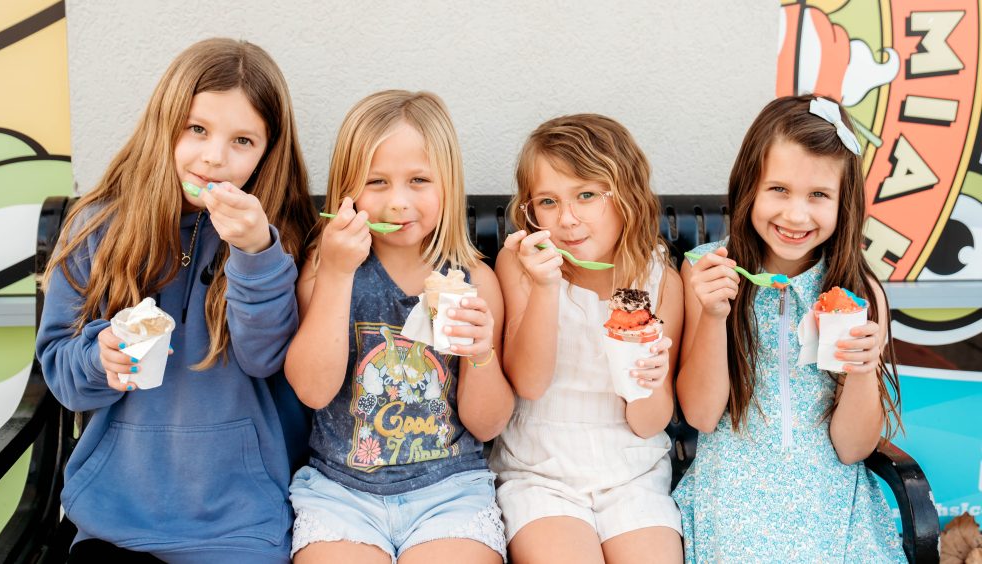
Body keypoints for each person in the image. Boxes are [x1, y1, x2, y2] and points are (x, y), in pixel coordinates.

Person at [36, 38, 316, 563]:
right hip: (113, 521)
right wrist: (102, 357)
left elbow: (263, 357)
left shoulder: (282, 238)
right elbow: (63, 376)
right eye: (197, 130)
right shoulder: (97, 228)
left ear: (268, 151)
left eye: (243, 141)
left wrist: (255, 253)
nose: (214, 157)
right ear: (164, 123)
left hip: (242, 521)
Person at [283, 90, 513, 564]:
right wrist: (335, 273)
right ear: (347, 189)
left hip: (451, 494)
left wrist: (481, 352)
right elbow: (312, 390)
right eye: (377, 182)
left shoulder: (476, 281)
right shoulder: (325, 268)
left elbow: (488, 424)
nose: (399, 202)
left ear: (447, 184)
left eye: (419, 180)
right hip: (340, 495)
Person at [673, 94, 905, 562]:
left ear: (845, 203)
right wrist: (715, 315)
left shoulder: (857, 291)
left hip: (833, 505)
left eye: (818, 195)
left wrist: (863, 370)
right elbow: (700, 414)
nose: (796, 216)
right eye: (778, 189)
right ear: (748, 188)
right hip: (733, 497)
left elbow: (853, 448)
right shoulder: (706, 271)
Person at [490, 114, 683, 563]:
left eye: (587, 196)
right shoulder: (521, 266)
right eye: (548, 202)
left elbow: (650, 422)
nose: (568, 219)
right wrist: (543, 288)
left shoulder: (660, 283)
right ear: (530, 210)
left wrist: (648, 379)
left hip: (632, 472)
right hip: (539, 471)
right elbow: (530, 383)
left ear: (627, 197)